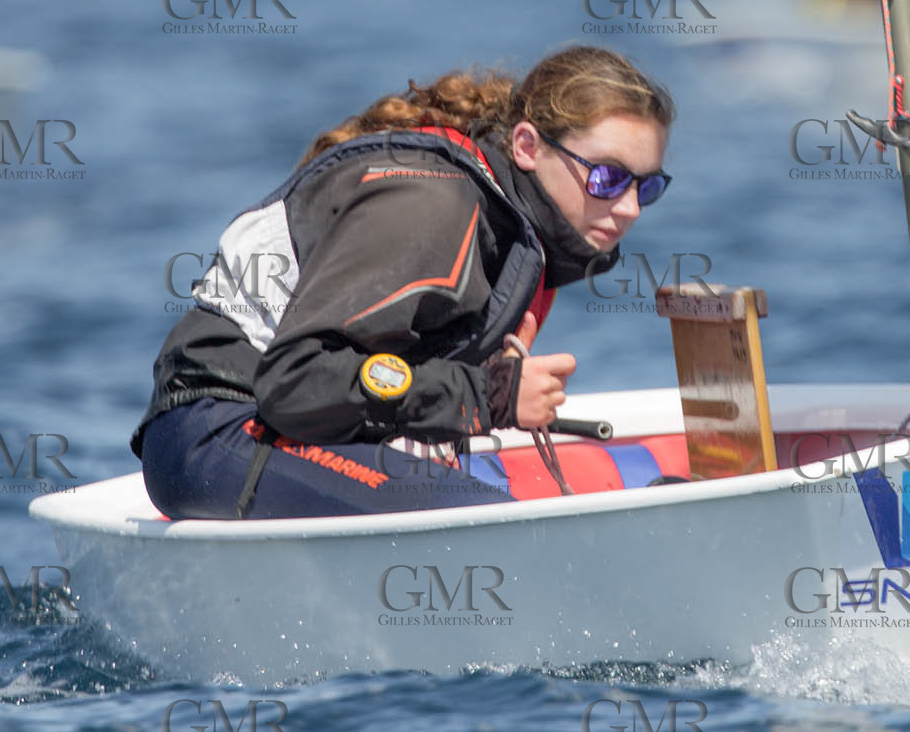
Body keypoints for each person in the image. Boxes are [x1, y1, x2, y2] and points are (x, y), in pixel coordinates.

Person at [130, 46, 675, 519]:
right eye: (608, 177)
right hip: (218, 431)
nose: (629, 208)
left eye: (646, 188)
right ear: (529, 147)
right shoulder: (433, 205)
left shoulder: (509, 227)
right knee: (486, 529)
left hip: (283, 431)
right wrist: (489, 395)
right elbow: (294, 380)